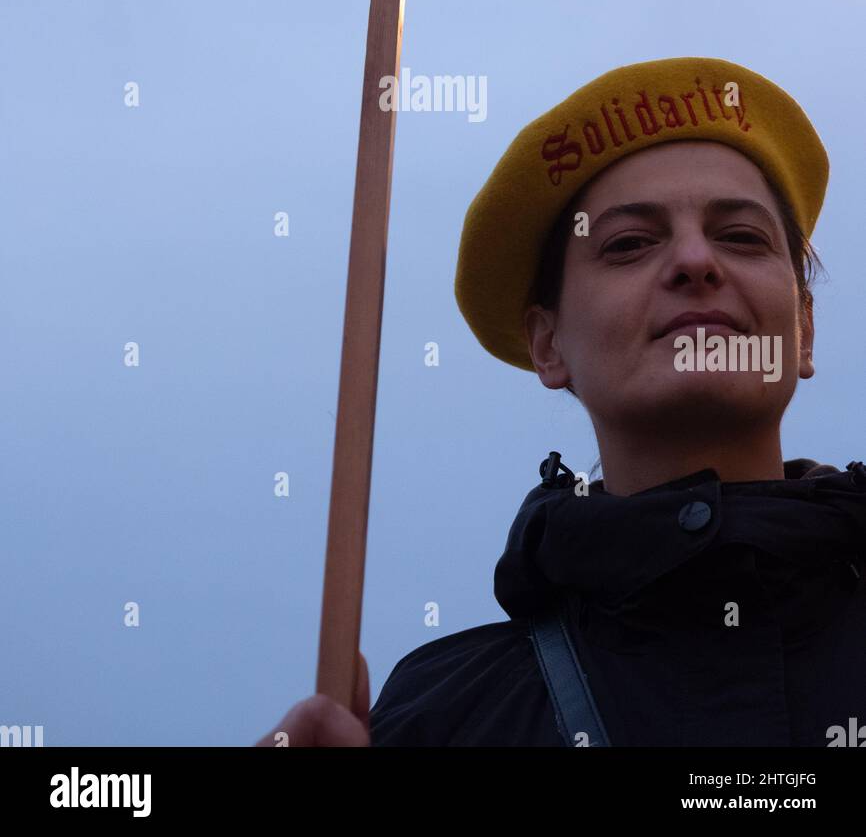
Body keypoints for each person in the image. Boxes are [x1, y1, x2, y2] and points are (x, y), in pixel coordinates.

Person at [255, 56, 866, 747]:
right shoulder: (447, 720)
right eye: (630, 243)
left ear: (804, 328)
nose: (697, 261)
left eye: (741, 237)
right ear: (548, 345)